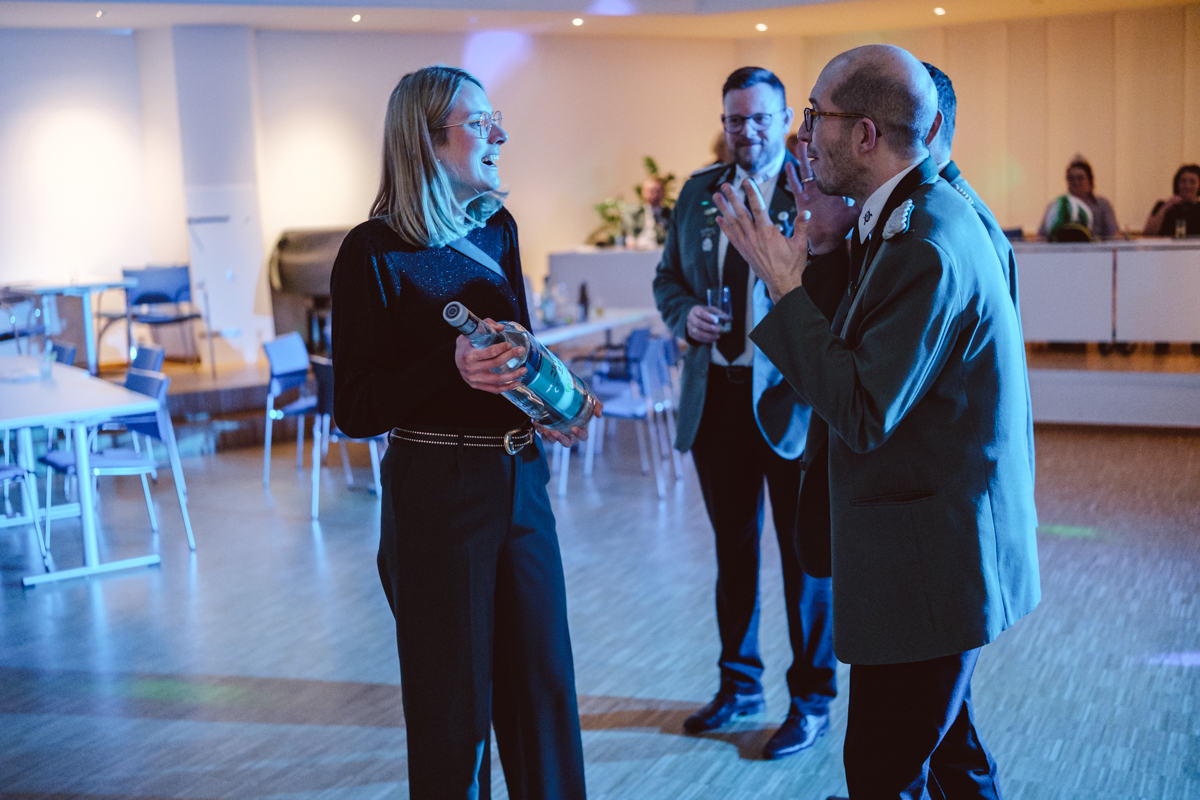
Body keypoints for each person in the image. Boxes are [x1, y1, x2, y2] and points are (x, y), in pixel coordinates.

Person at [714, 44, 1040, 798]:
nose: (803, 135)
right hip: (921, 552)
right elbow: (861, 340)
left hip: (930, 565)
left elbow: (862, 410)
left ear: (865, 135)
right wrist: (823, 250)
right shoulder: (900, 216)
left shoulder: (925, 241)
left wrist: (784, 283)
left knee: (880, 772)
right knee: (952, 760)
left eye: (814, 116)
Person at [330, 66, 592, 800]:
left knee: (544, 692)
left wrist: (546, 400)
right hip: (435, 494)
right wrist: (443, 367)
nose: (499, 134)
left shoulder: (497, 228)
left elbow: (517, 346)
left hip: (521, 478)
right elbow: (355, 408)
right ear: (426, 141)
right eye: (479, 123)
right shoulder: (370, 252)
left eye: (492, 118)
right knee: (453, 713)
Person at [653, 66, 853, 760]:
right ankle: (739, 686)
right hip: (717, 401)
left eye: (761, 118)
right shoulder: (699, 192)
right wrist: (685, 315)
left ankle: (812, 700)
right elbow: (667, 277)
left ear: (786, 120)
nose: (748, 131)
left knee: (806, 561)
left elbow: (840, 291)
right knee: (732, 554)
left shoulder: (816, 191)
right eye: (735, 119)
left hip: (792, 402)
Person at [1038, 156, 1119, 239]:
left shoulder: (1102, 205)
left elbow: (1114, 234)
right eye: (1071, 178)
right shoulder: (1057, 206)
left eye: (1080, 178)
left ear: (1090, 181)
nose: (1075, 182)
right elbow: (1042, 235)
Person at [1143, 164, 1200, 237]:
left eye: (1192, 181)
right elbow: (1148, 233)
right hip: (1166, 244)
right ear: (1177, 183)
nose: (1187, 186)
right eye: (1183, 181)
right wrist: (1165, 207)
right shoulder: (1163, 205)